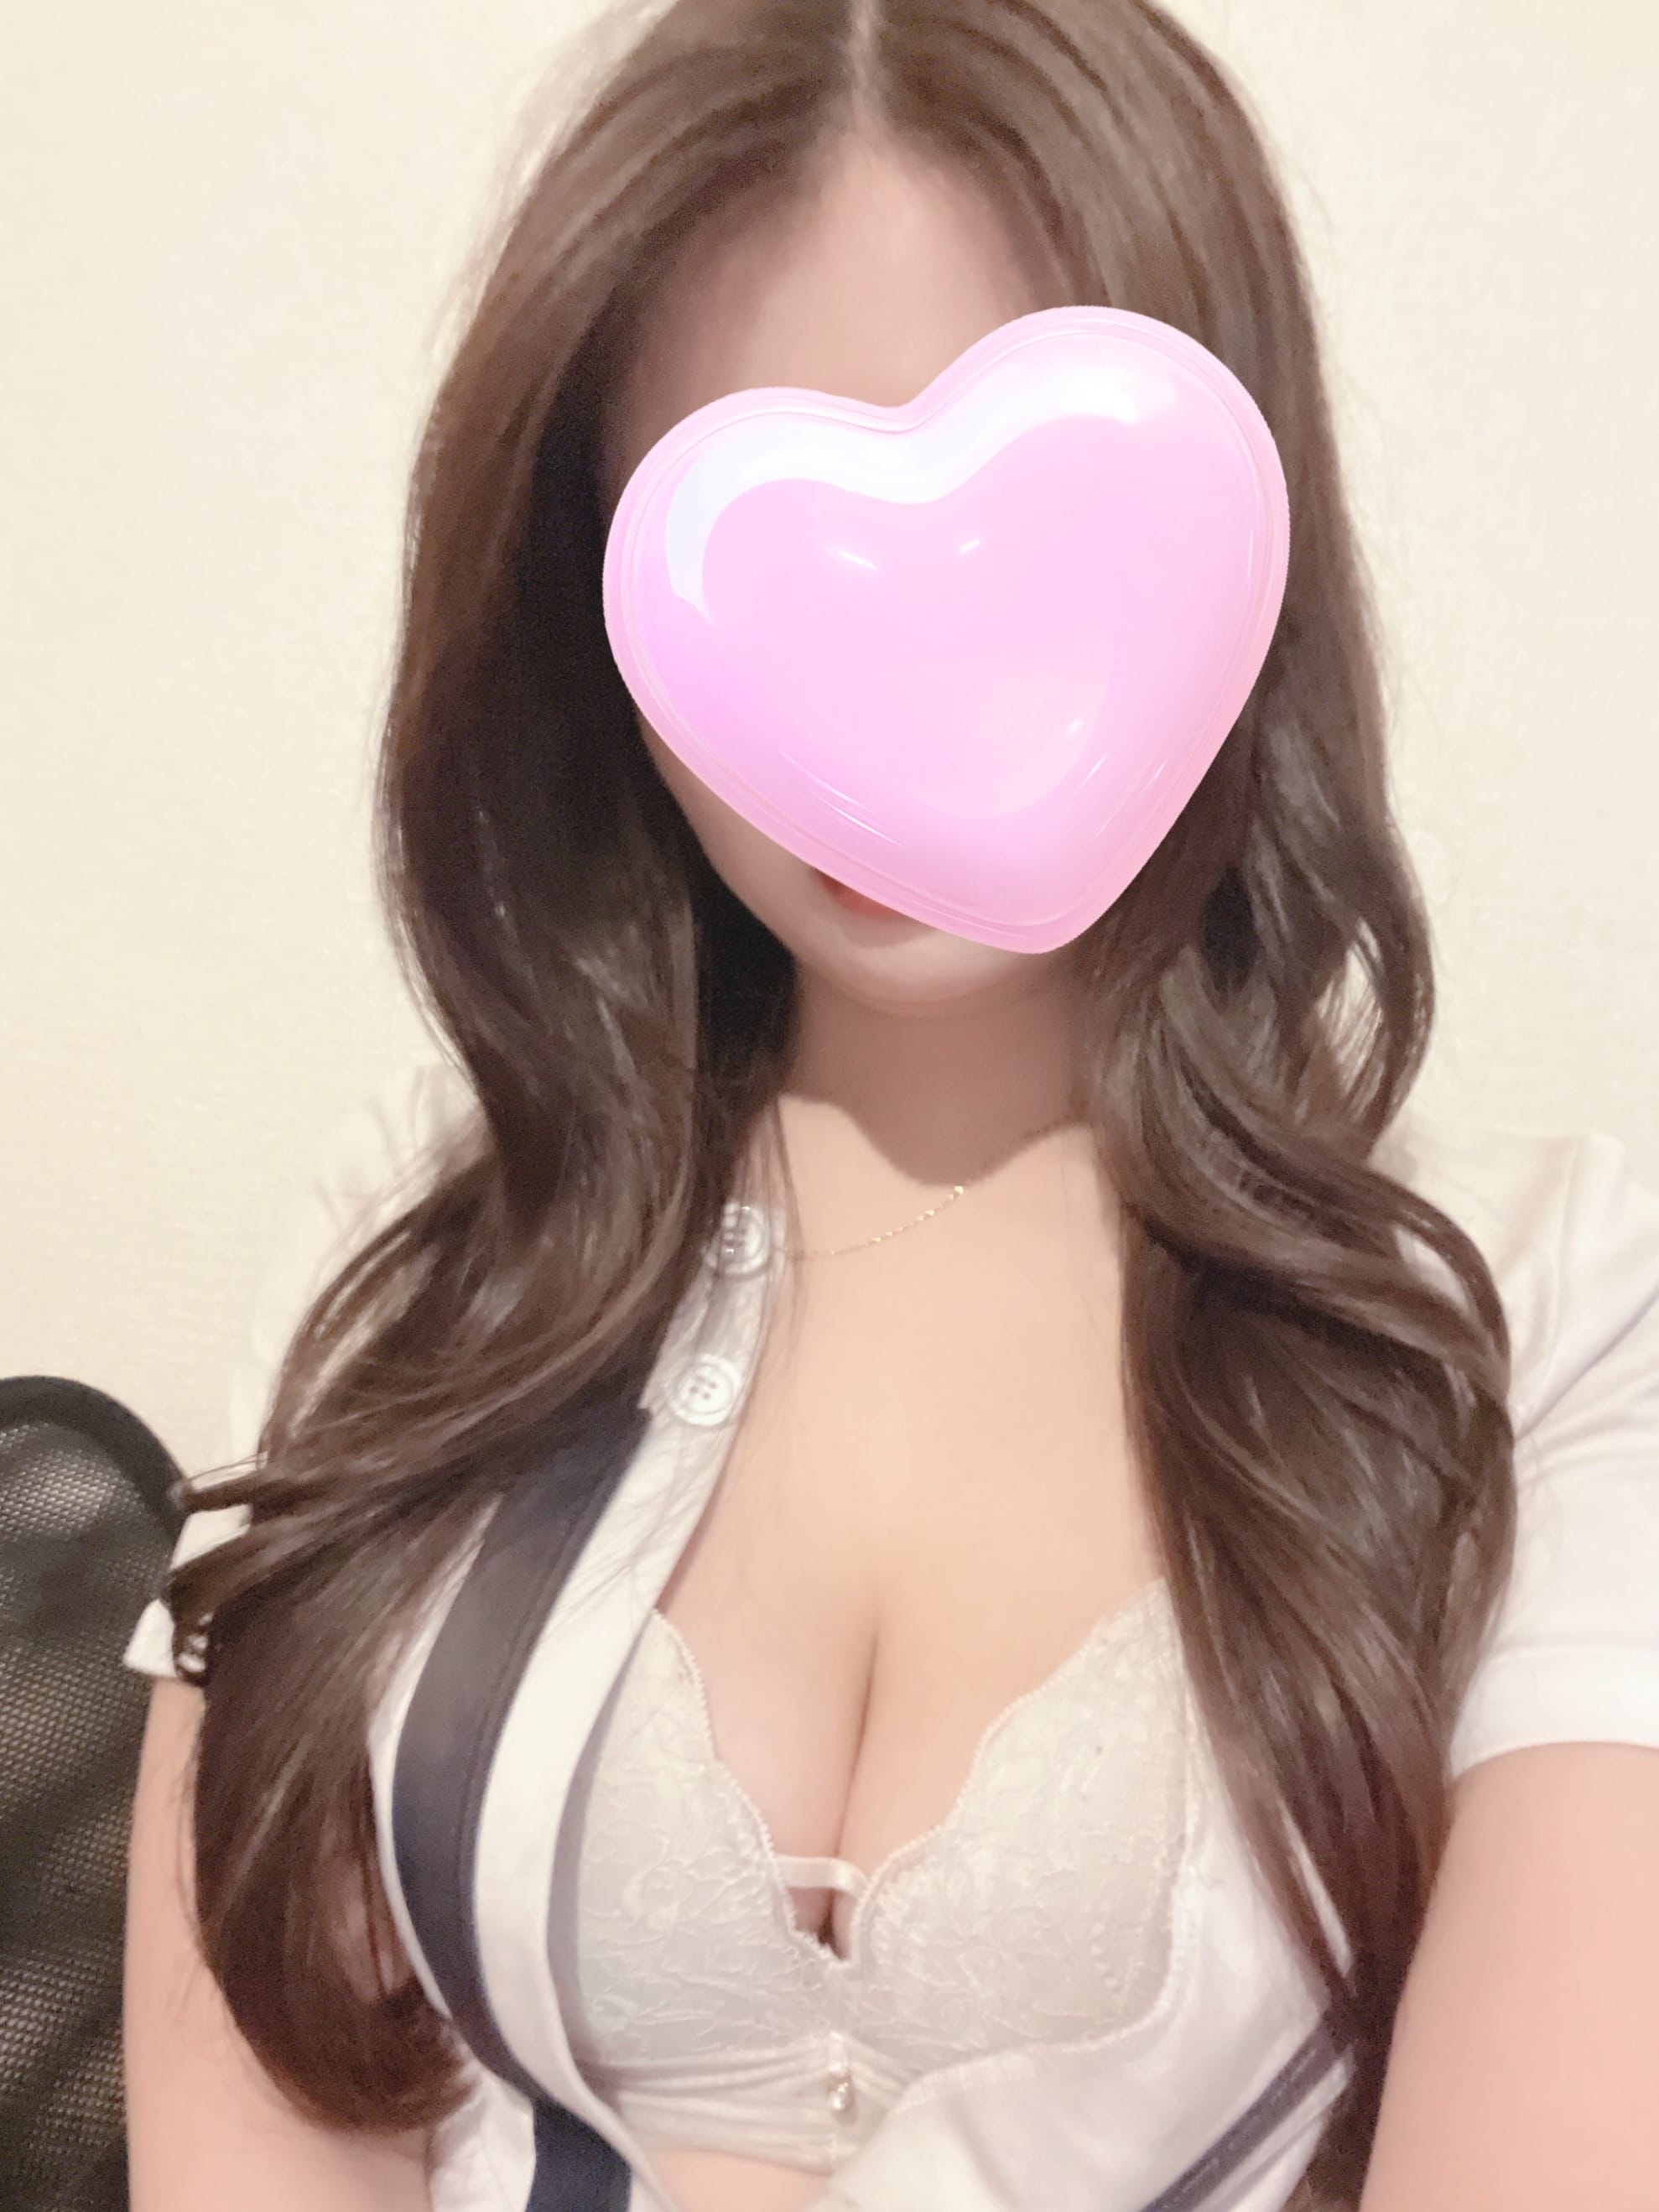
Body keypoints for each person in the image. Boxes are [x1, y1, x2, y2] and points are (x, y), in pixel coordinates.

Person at [121, 3, 1659, 2209]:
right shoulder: (432, 1256)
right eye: (764, 565)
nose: (890, 704)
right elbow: (262, 2119)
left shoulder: (1547, 1323)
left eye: (1042, 550)